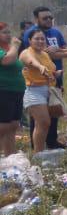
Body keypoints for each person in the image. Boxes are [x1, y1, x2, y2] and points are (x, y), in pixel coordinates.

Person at [19, 6, 67, 150]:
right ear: (36, 19)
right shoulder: (30, 36)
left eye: (51, 17)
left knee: (53, 112)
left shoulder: (55, 32)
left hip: (52, 83)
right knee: (40, 119)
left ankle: (51, 141)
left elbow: (65, 50)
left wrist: (58, 58)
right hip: (35, 87)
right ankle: (37, 148)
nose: (49, 20)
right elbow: (32, 58)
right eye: (45, 18)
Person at [19, 29, 58, 154]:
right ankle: (37, 153)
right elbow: (31, 61)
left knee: (45, 124)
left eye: (42, 39)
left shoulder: (45, 54)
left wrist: (56, 74)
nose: (40, 41)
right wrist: (39, 66)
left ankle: (41, 150)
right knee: (43, 122)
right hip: (33, 91)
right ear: (30, 40)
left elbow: (50, 70)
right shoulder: (26, 52)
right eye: (37, 38)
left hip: (48, 90)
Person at [0, 23, 24, 156]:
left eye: (9, 32)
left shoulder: (8, 48)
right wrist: (15, 46)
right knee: (3, 125)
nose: (8, 35)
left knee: (13, 125)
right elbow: (7, 60)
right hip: (4, 91)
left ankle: (10, 156)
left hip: (16, 91)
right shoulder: (8, 50)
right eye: (4, 32)